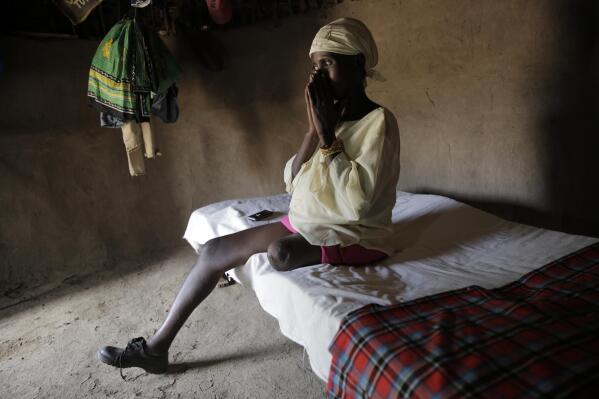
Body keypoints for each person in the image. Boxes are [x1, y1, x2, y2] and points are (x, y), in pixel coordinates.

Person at [98, 17, 400, 378]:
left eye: (328, 64)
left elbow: (358, 203)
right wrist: (314, 129)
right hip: (311, 220)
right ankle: (155, 348)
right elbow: (292, 181)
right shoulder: (332, 120)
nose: (317, 76)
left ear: (358, 64)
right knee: (213, 251)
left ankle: (158, 347)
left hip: (356, 233)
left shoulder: (378, 122)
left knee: (280, 254)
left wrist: (327, 136)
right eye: (314, 66)